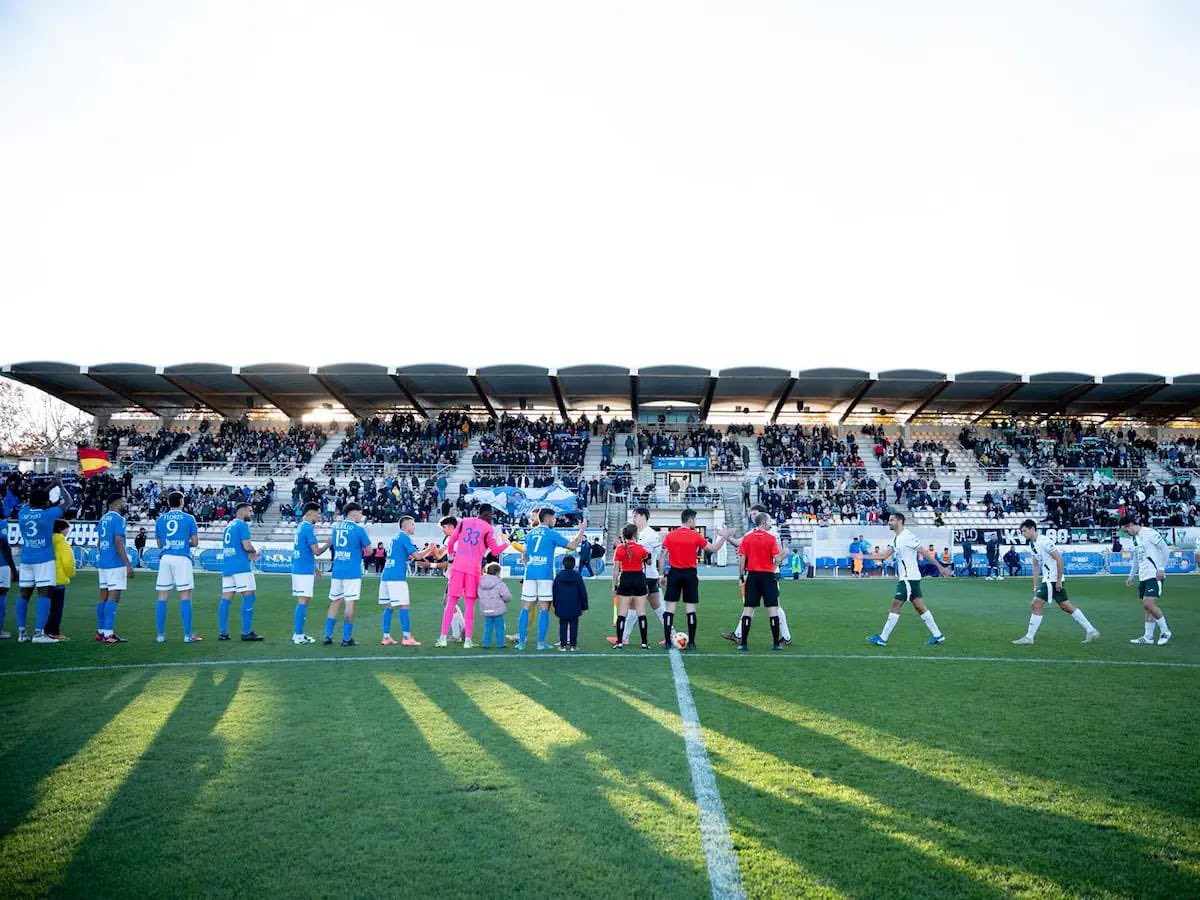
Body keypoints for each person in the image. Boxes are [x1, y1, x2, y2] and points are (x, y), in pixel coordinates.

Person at [858, 511, 951, 647]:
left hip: (908, 578)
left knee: (896, 605)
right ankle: (938, 635)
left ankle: (883, 638)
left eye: (891, 520)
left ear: (899, 521)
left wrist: (940, 567)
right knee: (919, 606)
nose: (889, 522)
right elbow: (884, 555)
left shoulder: (907, 536)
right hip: (910, 578)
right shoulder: (896, 539)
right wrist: (863, 557)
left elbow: (924, 552)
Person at [1012, 519, 1099, 645]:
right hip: (1047, 579)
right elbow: (1035, 564)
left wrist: (1058, 579)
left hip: (1052, 579)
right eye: (1022, 531)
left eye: (1024, 531)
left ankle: (1029, 637)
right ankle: (1091, 630)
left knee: (1036, 604)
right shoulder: (1032, 544)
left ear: (1032, 529)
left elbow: (1059, 558)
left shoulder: (1044, 541)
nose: (1023, 533)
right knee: (1065, 606)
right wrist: (1035, 584)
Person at [656, 509, 731, 651]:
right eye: (695, 520)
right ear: (690, 520)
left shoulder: (670, 536)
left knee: (670, 609)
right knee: (690, 609)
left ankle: (667, 642)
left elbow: (662, 556)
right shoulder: (695, 536)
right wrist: (724, 537)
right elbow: (713, 548)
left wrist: (661, 575)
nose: (695, 523)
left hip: (674, 573)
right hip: (690, 574)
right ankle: (692, 643)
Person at [436, 503, 508, 649]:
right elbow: (495, 551)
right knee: (469, 605)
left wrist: (451, 559)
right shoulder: (488, 529)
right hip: (473, 569)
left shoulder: (464, 522)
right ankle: (467, 640)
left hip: (457, 567)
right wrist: (506, 542)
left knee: (451, 603)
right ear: (488, 514)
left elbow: (451, 543)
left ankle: (442, 638)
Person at [720, 506, 793, 647]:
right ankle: (739, 635)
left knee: (770, 607)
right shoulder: (756, 534)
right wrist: (727, 536)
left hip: (765, 573)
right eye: (751, 514)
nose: (752, 516)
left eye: (754, 514)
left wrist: (741, 574)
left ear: (761, 517)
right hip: (767, 573)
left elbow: (744, 553)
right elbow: (739, 544)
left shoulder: (771, 533)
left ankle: (785, 636)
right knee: (763, 607)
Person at [517, 509, 584, 651]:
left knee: (525, 608)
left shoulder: (530, 534)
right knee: (544, 608)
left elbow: (524, 556)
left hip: (530, 574)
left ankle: (521, 643)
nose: (554, 521)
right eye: (553, 519)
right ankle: (540, 643)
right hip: (545, 575)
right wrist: (582, 530)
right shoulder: (551, 534)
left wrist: (530, 565)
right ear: (547, 519)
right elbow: (572, 545)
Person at [16, 481, 73, 644]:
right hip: (44, 559)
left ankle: (22, 632)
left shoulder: (23, 512)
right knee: (45, 594)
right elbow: (68, 502)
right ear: (44, 502)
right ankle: (39, 634)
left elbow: (33, 500)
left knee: (23, 595)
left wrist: (49, 486)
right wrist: (60, 485)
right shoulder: (47, 514)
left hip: (26, 558)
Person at [610, 507, 668, 646]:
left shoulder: (650, 534)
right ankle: (624, 637)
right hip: (642, 575)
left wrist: (623, 546)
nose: (633, 519)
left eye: (635, 516)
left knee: (650, 607)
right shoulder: (640, 533)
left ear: (643, 516)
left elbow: (644, 554)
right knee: (636, 608)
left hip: (646, 575)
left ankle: (670, 633)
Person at [736, 512, 788, 651]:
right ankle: (776, 643)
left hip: (752, 576)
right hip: (767, 576)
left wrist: (741, 575)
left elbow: (741, 558)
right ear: (764, 522)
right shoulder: (771, 539)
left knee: (748, 610)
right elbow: (777, 559)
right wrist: (782, 557)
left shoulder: (747, 539)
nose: (771, 523)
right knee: (772, 609)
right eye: (769, 521)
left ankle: (744, 643)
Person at [379, 515, 434, 646]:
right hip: (396, 576)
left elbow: (408, 556)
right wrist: (430, 549)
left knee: (390, 606)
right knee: (404, 605)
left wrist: (424, 552)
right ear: (407, 526)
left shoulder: (395, 537)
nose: (414, 526)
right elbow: (417, 556)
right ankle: (407, 637)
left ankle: (386, 637)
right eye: (413, 524)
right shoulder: (404, 537)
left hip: (386, 574)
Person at [324, 502, 373, 647]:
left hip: (337, 569)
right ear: (353, 512)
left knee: (335, 601)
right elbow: (369, 550)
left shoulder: (336, 527)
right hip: (352, 570)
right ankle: (346, 638)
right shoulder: (359, 529)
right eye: (360, 513)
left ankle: (328, 635)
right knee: (350, 603)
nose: (361, 516)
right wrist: (359, 552)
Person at [155, 490, 201, 643]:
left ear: (168, 503)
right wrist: (183, 543)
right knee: (185, 596)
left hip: (166, 558)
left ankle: (160, 635)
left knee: (162, 596)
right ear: (182, 502)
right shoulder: (189, 518)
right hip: (182, 558)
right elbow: (195, 542)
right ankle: (188, 635)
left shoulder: (161, 519)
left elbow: (159, 543)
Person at [1118, 515, 1172, 645]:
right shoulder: (1135, 539)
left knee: (1149, 604)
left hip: (1153, 574)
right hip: (1143, 576)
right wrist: (1131, 575)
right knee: (1147, 608)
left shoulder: (1149, 533)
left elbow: (1165, 548)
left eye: (1126, 530)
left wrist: (1161, 568)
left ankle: (1165, 631)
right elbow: (1137, 558)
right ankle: (1148, 637)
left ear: (1130, 524)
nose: (1126, 533)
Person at [219, 502, 262, 641]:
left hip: (228, 566)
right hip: (241, 567)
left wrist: (249, 554)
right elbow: (246, 545)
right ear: (241, 512)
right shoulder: (242, 525)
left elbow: (236, 546)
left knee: (226, 599)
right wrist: (254, 552)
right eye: (250, 511)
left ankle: (223, 633)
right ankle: (246, 632)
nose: (251, 514)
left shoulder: (228, 526)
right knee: (249, 596)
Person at [96, 493, 134, 642]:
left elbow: (99, 543)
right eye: (123, 502)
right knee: (114, 596)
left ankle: (100, 631)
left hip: (103, 563)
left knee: (103, 597)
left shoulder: (103, 519)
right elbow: (118, 542)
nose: (125, 505)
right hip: (115, 563)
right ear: (114, 504)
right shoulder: (119, 519)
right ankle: (108, 633)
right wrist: (128, 565)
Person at [290, 502, 329, 644]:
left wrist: (315, 569)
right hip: (302, 570)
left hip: (301, 567)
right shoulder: (307, 528)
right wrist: (329, 543)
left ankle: (299, 633)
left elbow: (306, 551)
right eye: (318, 513)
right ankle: (298, 635)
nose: (319, 516)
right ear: (310, 513)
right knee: (303, 601)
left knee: (304, 601)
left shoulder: (301, 527)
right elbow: (317, 551)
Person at [611, 523, 650, 649]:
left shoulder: (620, 549)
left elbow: (616, 570)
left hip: (626, 579)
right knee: (641, 612)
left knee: (622, 613)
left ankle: (620, 642)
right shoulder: (640, 548)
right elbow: (648, 560)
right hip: (639, 578)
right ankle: (644, 643)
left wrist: (614, 585)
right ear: (634, 535)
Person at [45, 518, 75, 640]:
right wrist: (70, 574)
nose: (68, 531)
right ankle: (54, 631)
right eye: (66, 528)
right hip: (58, 579)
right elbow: (68, 562)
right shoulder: (63, 544)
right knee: (56, 608)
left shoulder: (46, 541)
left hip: (44, 578)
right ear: (61, 529)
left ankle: (43, 630)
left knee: (46, 606)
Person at [551, 554, 588, 651]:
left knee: (562, 625)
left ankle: (562, 645)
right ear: (574, 565)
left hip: (561, 605)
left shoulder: (559, 576)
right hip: (575, 605)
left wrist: (555, 605)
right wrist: (584, 606)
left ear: (563, 565)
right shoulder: (577, 576)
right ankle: (573, 645)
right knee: (574, 625)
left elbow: (554, 591)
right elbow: (582, 592)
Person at [478, 562, 512, 649]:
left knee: (488, 626)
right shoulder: (500, 583)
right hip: (497, 609)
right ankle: (500, 643)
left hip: (486, 608)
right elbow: (507, 596)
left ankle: (486, 643)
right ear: (497, 573)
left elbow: (478, 594)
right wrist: (506, 600)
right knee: (500, 627)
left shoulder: (481, 583)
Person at [0, 528, 15, 639]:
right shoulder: (2, 525)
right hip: (2, 566)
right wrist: (13, 570)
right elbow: (6, 551)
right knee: (1, 596)